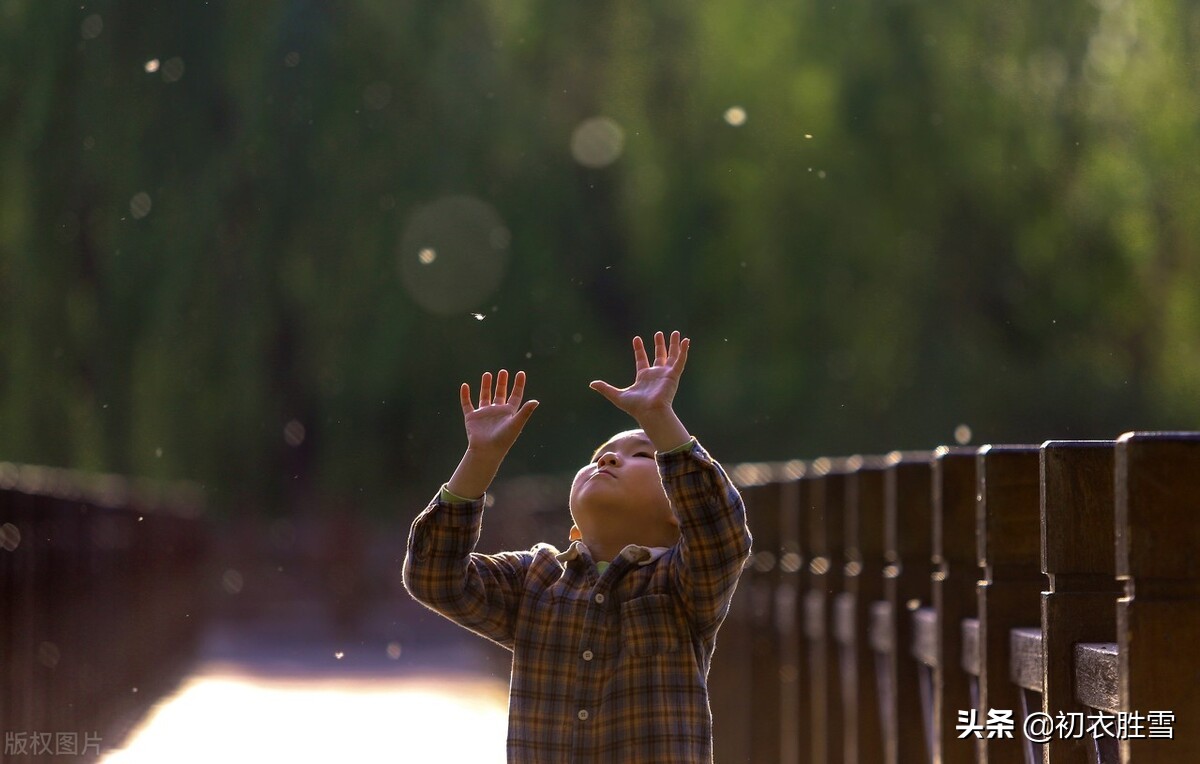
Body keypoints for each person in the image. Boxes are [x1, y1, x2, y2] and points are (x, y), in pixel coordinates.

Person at [403, 330, 752, 763]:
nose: (607, 459)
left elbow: (720, 528)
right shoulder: (536, 580)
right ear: (572, 529)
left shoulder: (684, 584)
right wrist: (479, 462)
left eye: (642, 456)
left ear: (679, 511)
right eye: (599, 456)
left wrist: (658, 417)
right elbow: (434, 577)